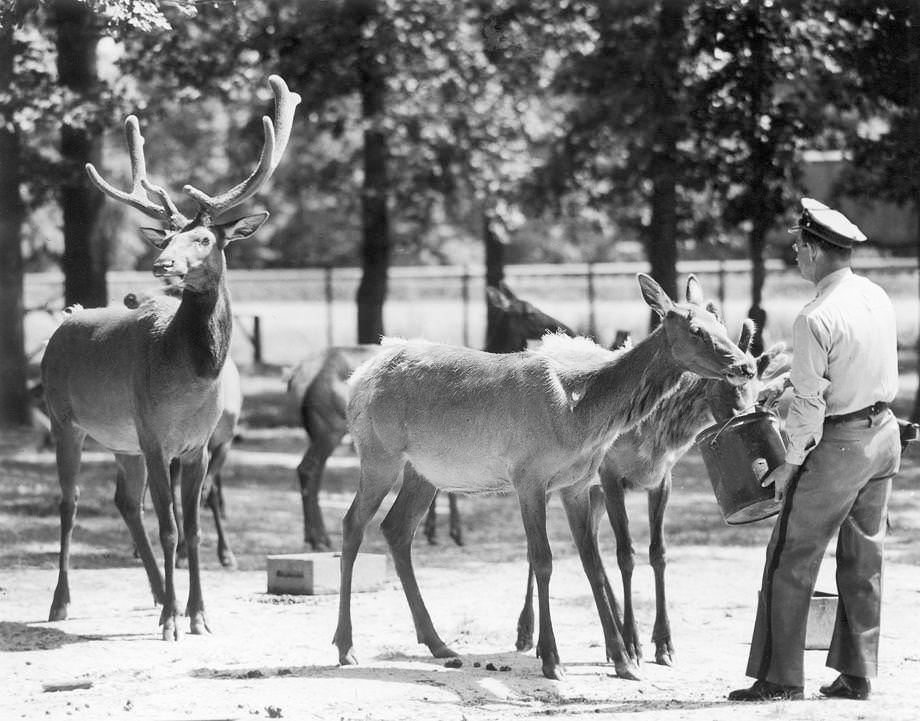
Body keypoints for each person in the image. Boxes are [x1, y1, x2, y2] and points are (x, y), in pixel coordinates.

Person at [728, 198, 901, 702]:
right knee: (863, 556)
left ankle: (779, 677)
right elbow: (853, 369)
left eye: (799, 246)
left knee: (791, 555)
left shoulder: (814, 316)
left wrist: (790, 463)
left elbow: (809, 406)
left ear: (818, 251)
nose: (796, 254)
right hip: (883, 434)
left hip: (838, 445)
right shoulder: (875, 295)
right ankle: (857, 672)